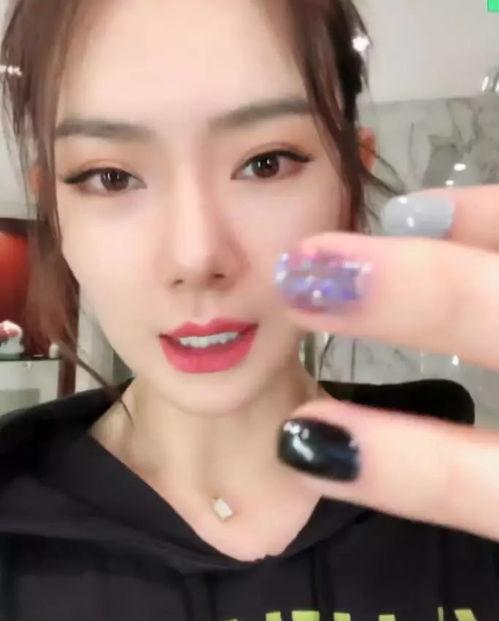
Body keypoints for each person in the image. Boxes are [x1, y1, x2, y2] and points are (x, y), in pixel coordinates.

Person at [0, 1, 497, 620]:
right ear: (56, 212)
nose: (196, 255)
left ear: (349, 185)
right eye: (111, 177)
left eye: (266, 163)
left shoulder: (469, 519)